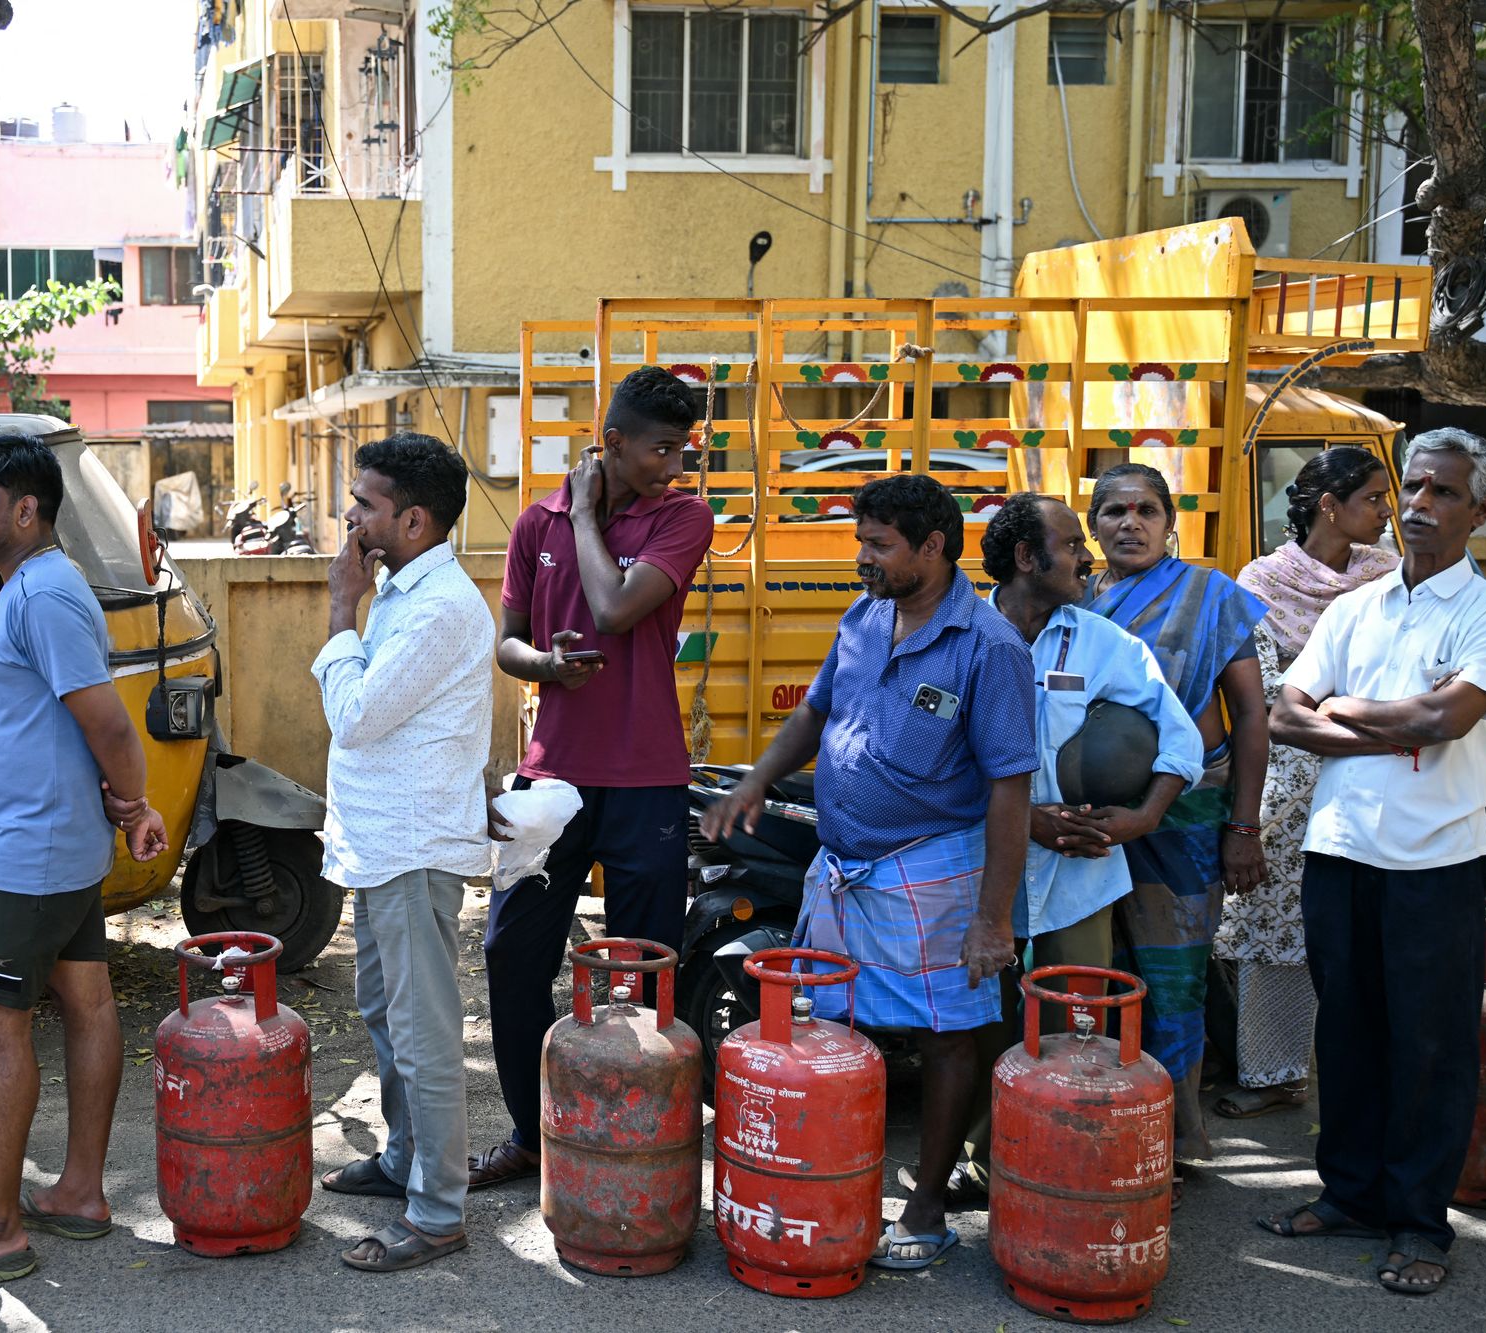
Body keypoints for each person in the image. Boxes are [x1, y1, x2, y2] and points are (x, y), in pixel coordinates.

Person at [702, 474, 1035, 1269]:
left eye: (879, 545)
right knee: (829, 1026)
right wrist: (754, 780)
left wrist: (993, 917)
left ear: (933, 547)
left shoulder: (989, 647)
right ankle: (831, 1182)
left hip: (937, 871)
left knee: (950, 1036)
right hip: (845, 869)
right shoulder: (863, 616)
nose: (864, 557)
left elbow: (1011, 789)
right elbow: (815, 711)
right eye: (862, 540)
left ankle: (925, 1210)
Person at [0, 435, 170, 1297]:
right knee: (86, 1000)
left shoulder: (42, 594)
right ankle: (82, 1190)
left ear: (25, 510)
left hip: (31, 854)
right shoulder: (39, 588)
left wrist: (137, 804)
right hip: (50, 841)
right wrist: (119, 804)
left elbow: (112, 725)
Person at [1258, 428, 1486, 1297]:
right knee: (1349, 1032)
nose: (1418, 505)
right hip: (1339, 850)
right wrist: (1385, 719)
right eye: (1412, 487)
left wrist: (1350, 710)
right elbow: (1285, 716)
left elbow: (1443, 722)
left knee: (1430, 1046)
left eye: (1444, 492)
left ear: (1481, 509)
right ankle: (1350, 1195)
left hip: (1436, 861)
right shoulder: (1356, 607)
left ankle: (1418, 1220)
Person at [475, 366, 713, 1189]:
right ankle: (534, 1133)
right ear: (612, 441)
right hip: (553, 777)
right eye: (659, 448)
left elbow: (614, 610)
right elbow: (506, 639)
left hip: (647, 776)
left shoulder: (682, 516)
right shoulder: (533, 521)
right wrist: (542, 661)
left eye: (682, 449)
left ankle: (636, 1138)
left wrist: (582, 513)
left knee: (643, 969)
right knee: (511, 952)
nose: (673, 464)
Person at [938, 493, 1204, 1203]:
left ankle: (1055, 1160)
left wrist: (1143, 817)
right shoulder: (957, 633)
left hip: (1079, 871)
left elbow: (1181, 736)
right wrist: (1029, 821)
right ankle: (983, 1163)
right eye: (1072, 543)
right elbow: (935, 760)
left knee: (1075, 1021)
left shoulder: (1099, 641)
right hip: (974, 868)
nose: (1088, 556)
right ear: (1028, 557)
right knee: (982, 1022)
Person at [311, 432, 492, 1273]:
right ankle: (403, 1161)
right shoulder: (402, 589)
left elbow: (355, 716)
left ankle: (438, 1211)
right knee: (387, 1018)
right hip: (381, 845)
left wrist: (340, 612)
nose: (351, 516)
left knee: (422, 1035)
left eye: (366, 504)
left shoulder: (438, 607)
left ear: (414, 519)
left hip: (413, 850)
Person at [1084, 463, 1269, 1185]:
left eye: (1146, 510)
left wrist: (1244, 827)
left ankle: (1178, 1135)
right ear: (1093, 525)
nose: (1130, 522)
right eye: (1115, 511)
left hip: (1186, 814)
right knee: (1093, 972)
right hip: (1088, 819)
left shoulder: (1210, 597)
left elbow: (1251, 715)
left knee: (1175, 975)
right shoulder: (1075, 600)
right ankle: (1099, 1123)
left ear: (1170, 524)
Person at [1216, 449, 1397, 1119]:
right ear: (1330, 505)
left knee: (1372, 917)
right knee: (1275, 919)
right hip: (1290, 769)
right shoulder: (1263, 580)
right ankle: (1275, 1071)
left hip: (1377, 765)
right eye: (1375, 499)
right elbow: (1262, 697)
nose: (1388, 512)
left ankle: (1369, 1061)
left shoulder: (1389, 575)